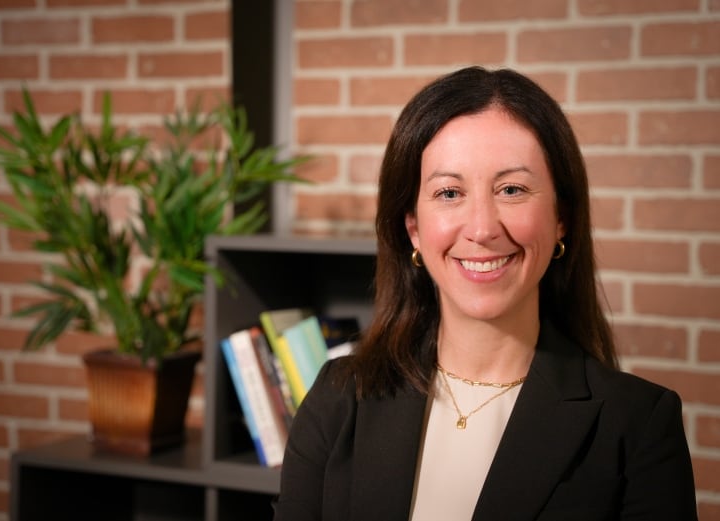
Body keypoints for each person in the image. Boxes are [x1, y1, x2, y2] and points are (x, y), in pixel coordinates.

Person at [271, 66, 697, 521]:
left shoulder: (638, 424)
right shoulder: (337, 400)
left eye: (511, 189)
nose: (481, 229)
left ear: (561, 220)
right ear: (413, 227)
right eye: (449, 192)